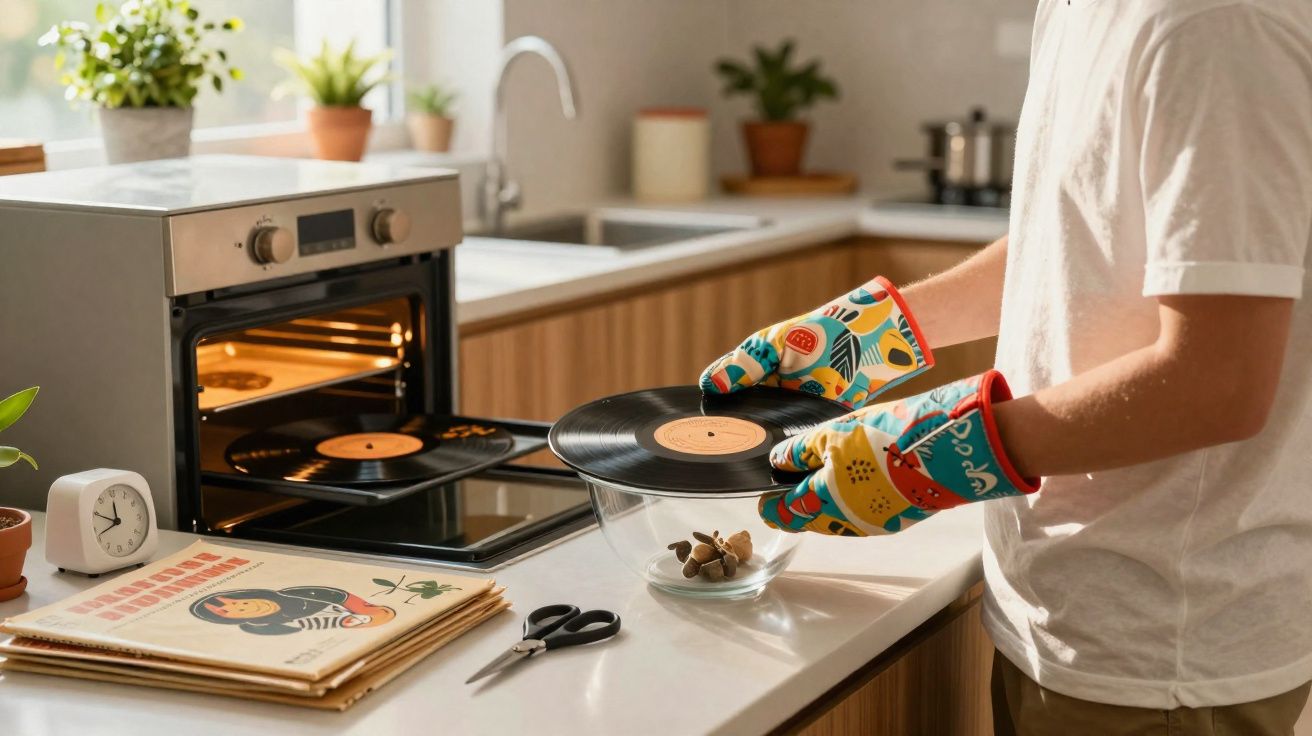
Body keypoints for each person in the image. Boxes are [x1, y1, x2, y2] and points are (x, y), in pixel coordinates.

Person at [700, 0, 1312, 732]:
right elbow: (1079, 239)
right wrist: (870, 335)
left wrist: (933, 455)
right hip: (1059, 608)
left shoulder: (1218, 24)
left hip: (1166, 643)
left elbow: (1220, 382)